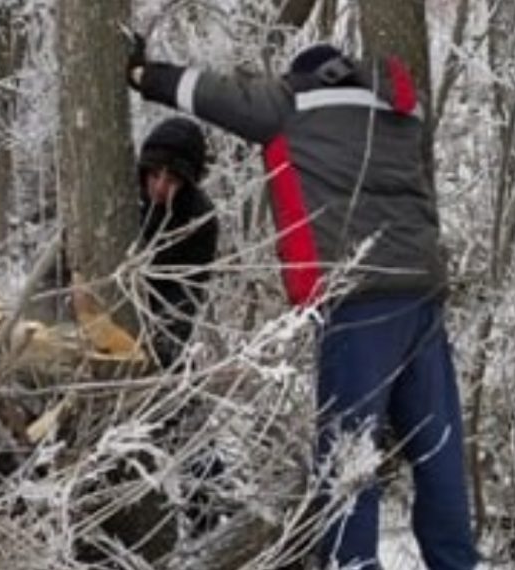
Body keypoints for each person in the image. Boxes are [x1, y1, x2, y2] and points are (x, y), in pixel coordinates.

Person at [126, 39, 479, 570]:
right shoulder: (399, 110)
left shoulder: (292, 103)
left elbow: (211, 95)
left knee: (346, 460)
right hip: (422, 300)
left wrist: (141, 74)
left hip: (357, 304)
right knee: (437, 451)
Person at [135, 116, 219, 368]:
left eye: (171, 180)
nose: (160, 186)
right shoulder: (117, 193)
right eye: (154, 174)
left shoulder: (199, 220)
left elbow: (187, 291)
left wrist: (165, 336)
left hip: (159, 317)